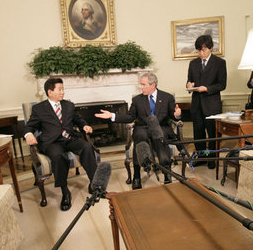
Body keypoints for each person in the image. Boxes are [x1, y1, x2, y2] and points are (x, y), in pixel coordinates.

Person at [95, 72, 181, 189]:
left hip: (160, 127)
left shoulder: (167, 97)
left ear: (153, 85)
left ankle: (167, 173)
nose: (141, 87)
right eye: (141, 85)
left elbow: (173, 115)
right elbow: (130, 117)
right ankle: (136, 176)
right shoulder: (137, 100)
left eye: (144, 85)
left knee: (160, 138)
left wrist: (177, 115)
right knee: (139, 137)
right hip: (143, 128)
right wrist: (112, 116)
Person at [24, 78, 98, 211]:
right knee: (58, 155)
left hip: (70, 138)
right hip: (52, 141)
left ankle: (94, 183)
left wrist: (85, 125)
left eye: (63, 89)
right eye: (60, 89)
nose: (63, 92)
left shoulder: (69, 105)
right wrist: (28, 134)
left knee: (87, 147)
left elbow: (78, 120)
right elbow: (29, 126)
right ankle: (65, 191)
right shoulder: (39, 108)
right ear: (50, 92)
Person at [186, 35, 227, 169]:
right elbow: (190, 81)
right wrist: (189, 85)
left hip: (211, 105)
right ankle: (202, 157)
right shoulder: (193, 63)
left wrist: (207, 88)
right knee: (198, 135)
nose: (201, 53)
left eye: (203, 50)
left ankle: (212, 158)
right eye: (198, 51)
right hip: (197, 105)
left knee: (212, 135)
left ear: (211, 48)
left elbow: (222, 85)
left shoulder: (220, 63)